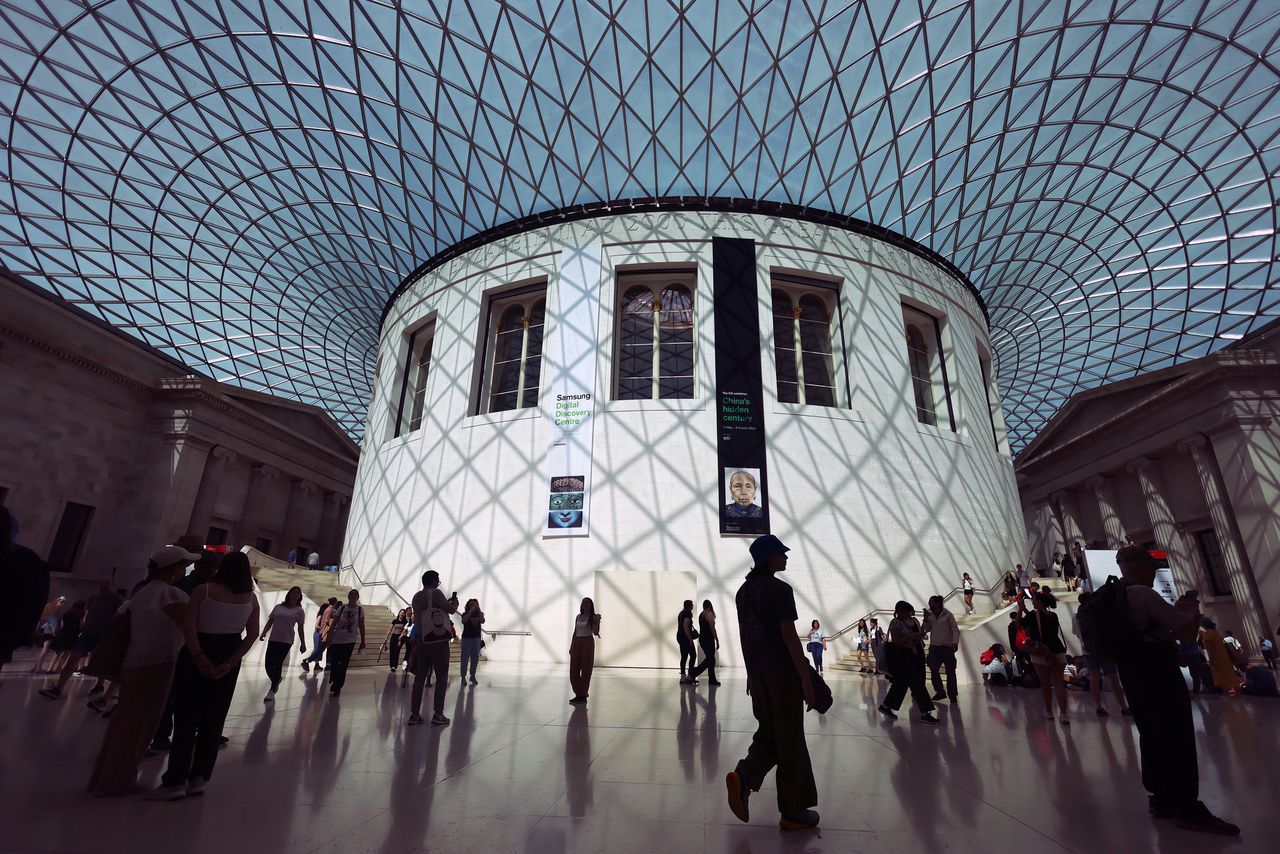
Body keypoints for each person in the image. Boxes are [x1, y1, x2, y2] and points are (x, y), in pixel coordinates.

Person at [1106, 545, 1239, 835]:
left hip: (1132, 675)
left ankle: (1161, 798)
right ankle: (1187, 807)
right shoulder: (1142, 594)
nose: (1154, 572)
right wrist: (1188, 611)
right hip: (1158, 674)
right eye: (1151, 566)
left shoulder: (1114, 596)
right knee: (1176, 734)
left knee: (1151, 733)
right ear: (1140, 566)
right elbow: (1186, 633)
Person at [724, 535, 819, 830]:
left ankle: (745, 777)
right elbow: (789, 637)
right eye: (782, 553)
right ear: (769, 558)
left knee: (772, 732)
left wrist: (752, 673)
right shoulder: (779, 590)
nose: (786, 558)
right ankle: (792, 811)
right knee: (790, 739)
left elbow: (745, 636)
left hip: (760, 675)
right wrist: (805, 679)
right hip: (783, 673)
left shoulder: (743, 592)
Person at [149, 551, 259, 800]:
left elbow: (189, 626)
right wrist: (230, 662)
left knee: (186, 718)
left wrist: (198, 655)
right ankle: (199, 779)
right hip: (229, 653)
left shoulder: (203, 591)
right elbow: (252, 634)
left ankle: (175, 781)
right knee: (214, 719)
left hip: (199, 651)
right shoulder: (251, 600)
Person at [87, 545, 195, 796]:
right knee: (138, 725)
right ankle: (117, 781)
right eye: (183, 565)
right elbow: (193, 621)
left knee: (124, 722)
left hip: (134, 661)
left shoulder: (141, 592)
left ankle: (104, 777)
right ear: (174, 569)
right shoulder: (169, 595)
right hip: (155, 663)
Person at [39, 578, 123, 699]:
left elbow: (118, 615)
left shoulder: (116, 599)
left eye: (107, 583)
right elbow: (88, 612)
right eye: (102, 582)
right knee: (73, 658)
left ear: (112, 585)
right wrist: (83, 623)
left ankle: (100, 685)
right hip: (88, 633)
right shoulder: (94, 598)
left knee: (101, 660)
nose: (104, 585)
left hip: (103, 635)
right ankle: (58, 688)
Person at [409, 570, 457, 725]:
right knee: (442, 676)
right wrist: (455, 603)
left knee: (420, 676)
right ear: (434, 581)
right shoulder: (436, 593)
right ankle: (438, 714)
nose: (438, 583)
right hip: (438, 641)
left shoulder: (416, 597)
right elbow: (450, 610)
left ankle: (415, 714)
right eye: (438, 581)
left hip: (422, 639)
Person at [1073, 590, 1131, 717]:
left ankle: (1099, 707)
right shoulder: (1099, 612)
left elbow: (1077, 633)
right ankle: (1123, 706)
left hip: (1087, 650)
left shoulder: (1077, 615)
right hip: (1104, 649)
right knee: (1114, 678)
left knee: (1094, 678)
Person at [878, 601, 938, 723]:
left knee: (902, 683)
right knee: (917, 683)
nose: (907, 614)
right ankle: (925, 712)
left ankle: (885, 706)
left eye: (908, 612)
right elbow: (896, 640)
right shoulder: (896, 622)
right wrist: (911, 637)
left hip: (917, 653)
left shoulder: (914, 620)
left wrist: (923, 625)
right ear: (899, 611)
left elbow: (921, 634)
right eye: (905, 612)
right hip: (904, 655)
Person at [1018, 590, 1070, 725]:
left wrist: (1020, 609)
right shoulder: (1053, 615)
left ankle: (1049, 711)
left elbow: (1018, 624)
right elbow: (1042, 624)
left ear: (1039, 602)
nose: (1033, 602)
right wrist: (1025, 610)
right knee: (1058, 683)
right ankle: (1064, 714)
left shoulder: (1033, 615)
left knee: (1045, 683)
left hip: (1041, 651)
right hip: (1057, 650)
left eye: (1034, 600)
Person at [258, 586, 306, 702]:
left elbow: (300, 628)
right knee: (268, 664)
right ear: (289, 594)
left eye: (297, 593)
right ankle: (277, 679)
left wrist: (303, 643)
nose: (295, 594)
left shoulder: (299, 611)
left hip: (286, 640)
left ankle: (272, 690)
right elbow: (270, 621)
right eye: (293, 592)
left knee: (277, 663)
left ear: (300, 596)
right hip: (274, 638)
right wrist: (264, 632)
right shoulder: (279, 607)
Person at [324, 589, 365, 698]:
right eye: (351, 593)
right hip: (337, 639)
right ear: (348, 596)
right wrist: (329, 637)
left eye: (355, 594)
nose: (352, 595)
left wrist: (363, 641)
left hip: (350, 640)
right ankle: (334, 679)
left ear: (358, 597)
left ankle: (337, 687)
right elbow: (334, 624)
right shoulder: (341, 608)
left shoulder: (360, 610)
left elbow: (361, 626)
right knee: (334, 662)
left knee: (343, 664)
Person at [923, 595, 959, 702]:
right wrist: (925, 619)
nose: (929, 604)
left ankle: (952, 695)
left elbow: (955, 629)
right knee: (933, 669)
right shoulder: (929, 614)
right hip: (934, 647)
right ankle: (940, 691)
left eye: (931, 602)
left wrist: (955, 642)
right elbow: (926, 629)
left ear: (938, 603)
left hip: (947, 647)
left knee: (950, 671)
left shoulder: (948, 615)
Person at [569, 598, 601, 704]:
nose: (585, 604)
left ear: (591, 605)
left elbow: (595, 632)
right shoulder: (578, 617)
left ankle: (583, 695)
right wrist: (572, 646)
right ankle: (578, 694)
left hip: (587, 642)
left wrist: (597, 621)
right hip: (577, 641)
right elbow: (575, 632)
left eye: (587, 603)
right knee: (574, 670)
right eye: (583, 602)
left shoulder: (593, 617)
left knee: (586, 670)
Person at [1201, 620, 1238, 696]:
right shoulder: (1215, 632)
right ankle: (1233, 688)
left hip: (1216, 657)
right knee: (1227, 672)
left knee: (1220, 674)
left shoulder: (1207, 633)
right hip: (1223, 656)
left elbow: (1210, 648)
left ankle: (1227, 690)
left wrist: (1211, 659)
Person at [302, 597, 338, 672]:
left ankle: (307, 661)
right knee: (319, 649)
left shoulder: (329, 610)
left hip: (325, 632)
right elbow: (327, 621)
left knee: (320, 649)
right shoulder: (330, 610)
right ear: (335, 602)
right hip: (325, 633)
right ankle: (306, 660)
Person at [31, 596, 66, 673]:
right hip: (49, 631)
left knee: (43, 650)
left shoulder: (49, 607)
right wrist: (55, 632)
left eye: (64, 602)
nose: (63, 604)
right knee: (45, 650)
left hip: (45, 630)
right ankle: (38, 669)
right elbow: (53, 622)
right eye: (61, 602)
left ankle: (35, 668)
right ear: (57, 601)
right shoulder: (54, 610)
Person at [690, 601, 721, 685]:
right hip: (708, 640)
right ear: (710, 606)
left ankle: (711, 679)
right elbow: (712, 629)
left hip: (703, 639)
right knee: (710, 659)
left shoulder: (701, 615)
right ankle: (695, 672)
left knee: (710, 659)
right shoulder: (709, 615)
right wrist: (717, 640)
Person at [459, 598, 484, 684]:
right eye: (471, 604)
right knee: (464, 658)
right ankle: (463, 677)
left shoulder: (479, 614)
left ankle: (472, 676)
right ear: (468, 606)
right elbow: (464, 620)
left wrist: (479, 610)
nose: (473, 606)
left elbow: (482, 621)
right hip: (466, 638)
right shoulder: (465, 614)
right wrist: (470, 611)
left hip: (476, 638)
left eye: (475, 604)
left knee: (475, 659)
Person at [677, 599, 699, 684]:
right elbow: (686, 627)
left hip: (680, 636)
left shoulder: (681, 613)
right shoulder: (687, 614)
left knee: (684, 656)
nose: (693, 606)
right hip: (685, 637)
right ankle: (690, 676)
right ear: (689, 606)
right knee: (693, 655)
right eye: (692, 604)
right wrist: (690, 640)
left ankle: (683, 677)